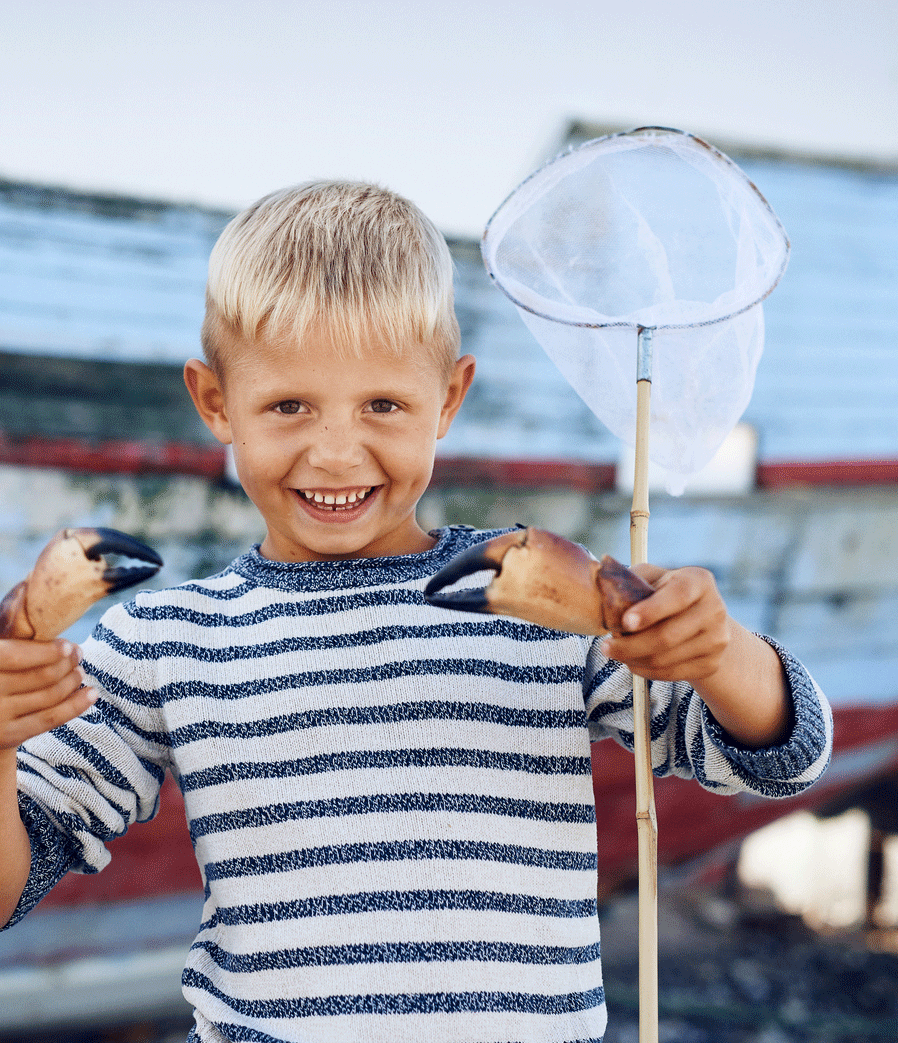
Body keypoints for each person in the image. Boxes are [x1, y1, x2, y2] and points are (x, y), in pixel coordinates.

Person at [0, 180, 832, 1043]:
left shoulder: (549, 602)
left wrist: (718, 651)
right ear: (215, 402)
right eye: (288, 405)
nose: (334, 450)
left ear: (450, 398)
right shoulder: (165, 644)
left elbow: (777, 760)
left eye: (383, 406)